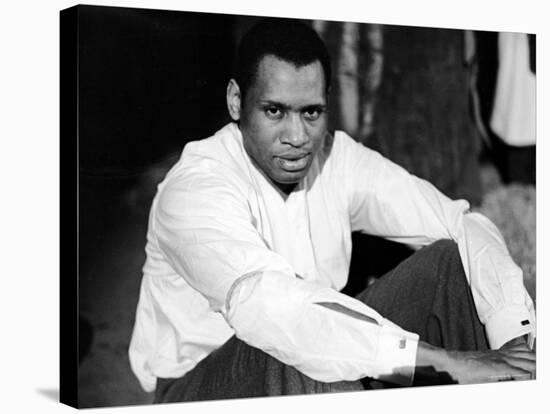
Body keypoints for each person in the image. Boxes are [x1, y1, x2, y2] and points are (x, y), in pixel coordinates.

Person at [128, 18, 536, 403]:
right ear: (236, 101)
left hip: (307, 359)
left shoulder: (336, 159)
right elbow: (272, 309)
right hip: (203, 385)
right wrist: (446, 362)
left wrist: (512, 337)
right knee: (303, 346)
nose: (296, 136)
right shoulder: (196, 187)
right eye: (274, 111)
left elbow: (460, 222)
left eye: (311, 113)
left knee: (449, 262)